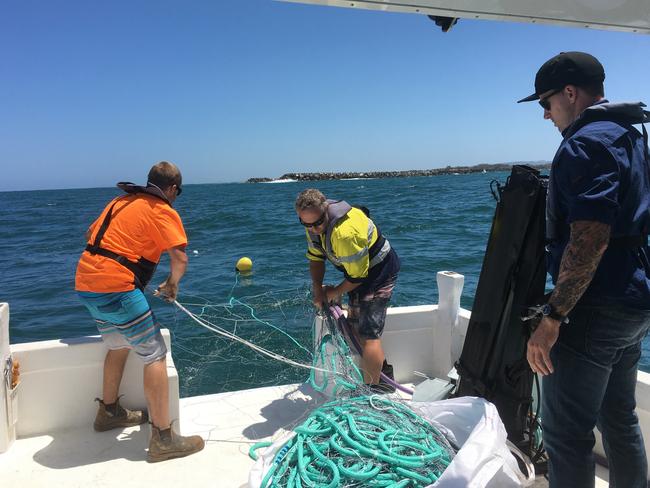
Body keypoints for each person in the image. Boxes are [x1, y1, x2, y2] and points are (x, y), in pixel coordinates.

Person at [519, 52, 650, 487]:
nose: (545, 113)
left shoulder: (583, 143)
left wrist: (553, 317)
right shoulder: (630, 135)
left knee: (565, 434)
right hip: (634, 301)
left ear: (570, 94)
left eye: (546, 102)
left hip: (594, 308)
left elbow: (590, 237)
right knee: (619, 417)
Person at [75, 161, 204, 462]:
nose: (176, 197)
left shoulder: (119, 202)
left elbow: (89, 236)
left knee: (117, 345)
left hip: (85, 282)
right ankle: (163, 438)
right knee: (154, 354)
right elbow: (180, 259)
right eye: (178, 192)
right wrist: (172, 285)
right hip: (117, 287)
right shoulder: (162, 210)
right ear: (172, 189)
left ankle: (109, 412)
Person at [295, 189, 400, 392]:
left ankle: (371, 393)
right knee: (355, 327)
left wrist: (334, 292)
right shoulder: (312, 223)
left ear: (325, 211)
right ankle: (384, 377)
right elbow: (316, 257)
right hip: (358, 272)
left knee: (368, 334)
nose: (313, 229)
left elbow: (358, 277)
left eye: (317, 223)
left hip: (379, 272)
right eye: (306, 224)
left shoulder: (345, 234)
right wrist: (318, 289)